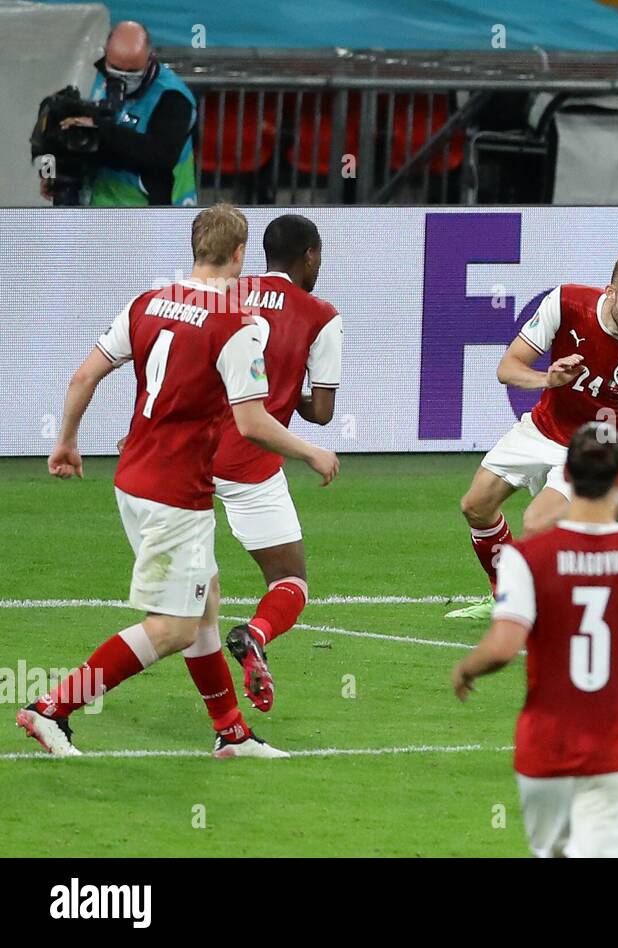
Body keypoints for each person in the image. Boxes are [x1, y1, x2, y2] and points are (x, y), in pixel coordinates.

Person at [17, 204, 338, 759]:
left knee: (206, 601)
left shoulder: (148, 301)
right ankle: (53, 709)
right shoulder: (239, 323)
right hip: (174, 494)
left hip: (133, 479)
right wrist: (312, 452)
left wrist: (66, 440)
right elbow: (252, 421)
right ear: (239, 254)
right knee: (173, 628)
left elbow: (84, 375)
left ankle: (231, 734)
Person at [452, 424, 618, 858]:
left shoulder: (527, 558)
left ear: (565, 473)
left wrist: (466, 668)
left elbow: (504, 646)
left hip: (544, 753)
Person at [448, 251, 618, 621]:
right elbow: (507, 368)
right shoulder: (566, 302)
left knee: (538, 523)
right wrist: (547, 380)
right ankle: (505, 594)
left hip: (591, 452)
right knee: (475, 505)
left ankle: (546, 610)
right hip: (541, 427)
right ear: (611, 292)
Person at [214, 214, 342, 711]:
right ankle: (256, 633)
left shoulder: (222, 293)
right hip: (252, 465)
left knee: (184, 599)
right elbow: (324, 413)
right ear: (309, 255)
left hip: (192, 454)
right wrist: (286, 396)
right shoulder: (321, 314)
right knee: (290, 581)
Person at [43, 21, 198, 206]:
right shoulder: (100, 76)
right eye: (116, 70)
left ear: (150, 58)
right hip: (98, 205)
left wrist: (100, 129)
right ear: (106, 54)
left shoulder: (173, 98)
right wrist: (51, 172)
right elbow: (64, 134)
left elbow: (159, 155)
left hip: (153, 211)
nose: (123, 78)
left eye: (132, 71)